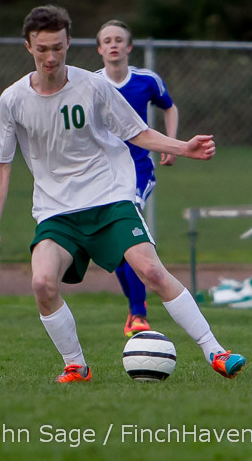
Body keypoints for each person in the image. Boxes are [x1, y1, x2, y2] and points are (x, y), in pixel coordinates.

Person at [0, 5, 246, 383]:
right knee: (42, 283)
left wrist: (184, 148)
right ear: (28, 47)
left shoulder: (93, 86)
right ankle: (76, 365)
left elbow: (137, 132)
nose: (51, 57)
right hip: (56, 212)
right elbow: (1, 165)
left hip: (108, 199)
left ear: (69, 43)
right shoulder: (12, 100)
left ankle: (216, 351)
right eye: (42, 49)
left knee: (151, 271)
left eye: (58, 47)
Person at [96, 20, 180, 337]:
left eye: (119, 40)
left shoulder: (147, 80)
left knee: (128, 234)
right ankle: (135, 310)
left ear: (129, 47)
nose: (113, 45)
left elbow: (169, 108)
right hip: (102, 175)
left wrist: (172, 144)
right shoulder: (91, 84)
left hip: (138, 172)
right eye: (107, 40)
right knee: (116, 246)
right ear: (99, 49)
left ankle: (139, 313)